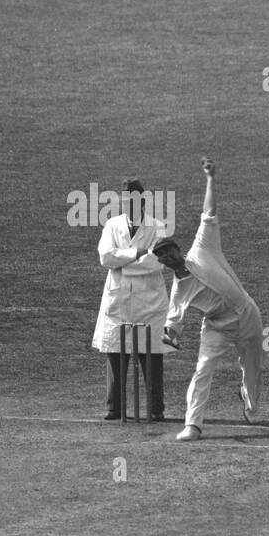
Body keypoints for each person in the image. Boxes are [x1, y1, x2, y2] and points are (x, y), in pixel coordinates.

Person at [155, 158, 264, 441]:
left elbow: (209, 212)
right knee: (202, 369)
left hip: (247, 313)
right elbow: (173, 323)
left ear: (178, 249)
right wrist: (170, 335)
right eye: (162, 256)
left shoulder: (202, 248)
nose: (167, 257)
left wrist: (210, 178)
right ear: (163, 263)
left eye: (169, 251)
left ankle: (250, 402)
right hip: (216, 326)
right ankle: (193, 425)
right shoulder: (178, 290)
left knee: (252, 367)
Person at [92, 177, 171, 421]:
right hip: (119, 301)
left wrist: (124, 263)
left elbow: (157, 262)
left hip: (150, 302)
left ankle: (156, 410)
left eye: (133, 199)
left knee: (152, 357)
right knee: (116, 354)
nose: (129, 203)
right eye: (125, 199)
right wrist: (137, 253)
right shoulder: (112, 225)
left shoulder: (158, 227)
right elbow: (106, 258)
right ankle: (114, 408)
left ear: (143, 200)